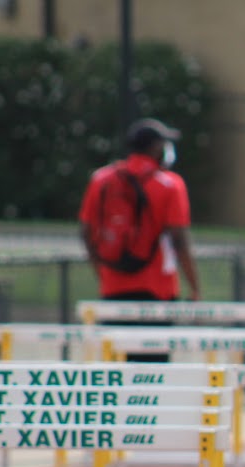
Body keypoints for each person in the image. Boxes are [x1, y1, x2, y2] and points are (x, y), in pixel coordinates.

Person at [79, 117, 201, 362]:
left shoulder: (101, 179)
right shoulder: (170, 184)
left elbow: (86, 232)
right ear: (156, 148)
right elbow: (179, 241)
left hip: (112, 287)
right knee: (153, 375)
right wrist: (194, 287)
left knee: (115, 374)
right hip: (157, 290)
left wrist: (102, 274)